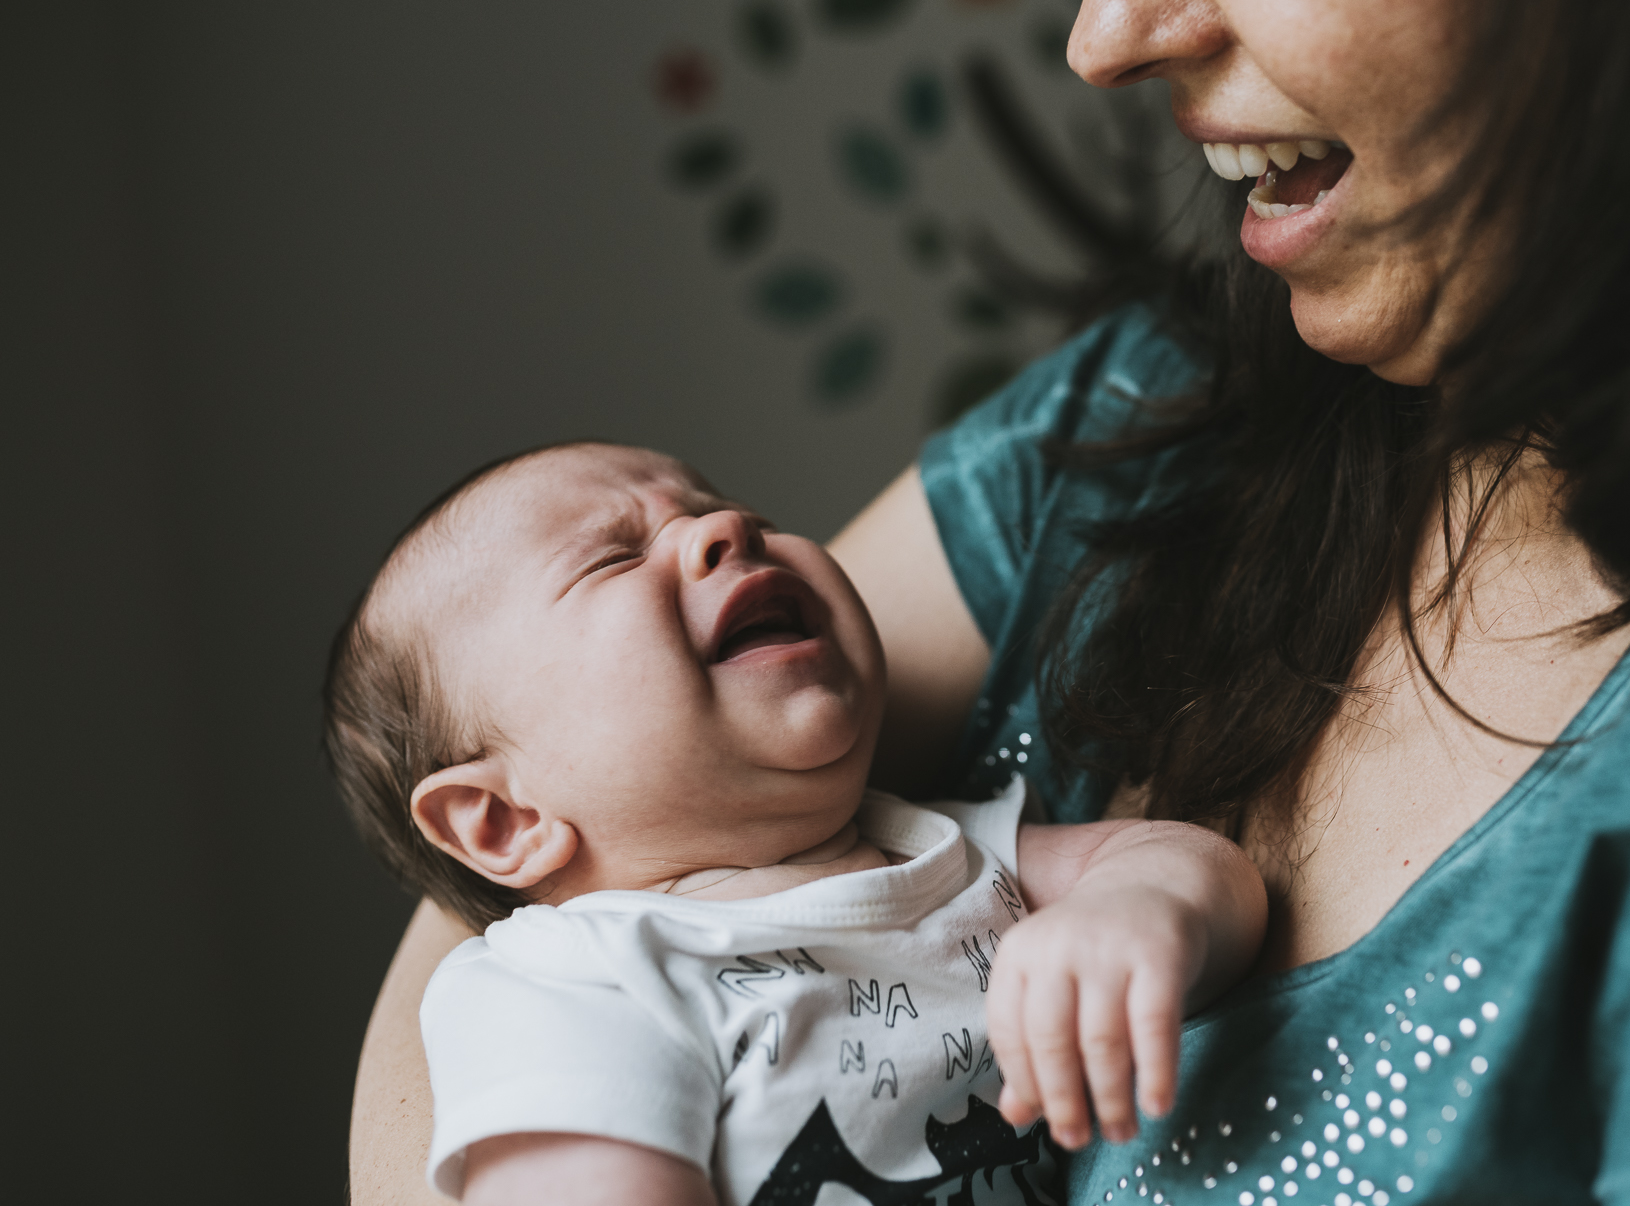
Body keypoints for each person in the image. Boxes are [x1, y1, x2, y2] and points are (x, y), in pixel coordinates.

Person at [353, 0, 1630, 1202]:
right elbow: (507, 900)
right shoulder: (1133, 435)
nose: (1105, 23)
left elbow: (1167, 875)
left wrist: (1148, 906)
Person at [325, 442, 1266, 1204]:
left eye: (734, 512)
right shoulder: (580, 983)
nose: (724, 528)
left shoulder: (945, 850)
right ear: (502, 820)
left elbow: (1190, 860)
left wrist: (1142, 908)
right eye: (614, 555)